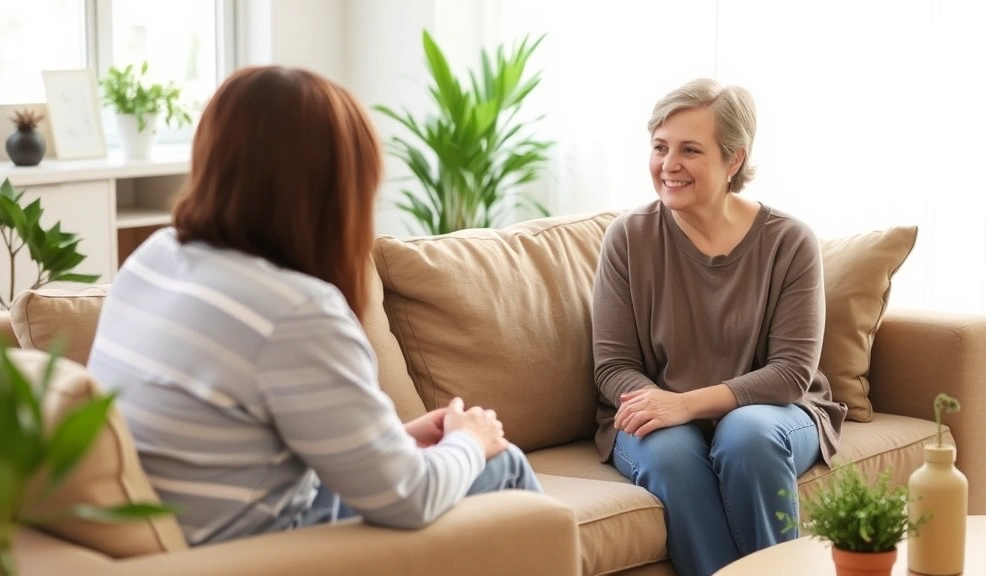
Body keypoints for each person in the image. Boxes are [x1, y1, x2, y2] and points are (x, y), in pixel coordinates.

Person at [87, 65, 541, 546]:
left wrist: (396, 442)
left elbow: (237, 442)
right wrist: (470, 438)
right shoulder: (295, 312)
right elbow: (410, 497)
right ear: (334, 190)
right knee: (503, 463)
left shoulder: (153, 257)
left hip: (196, 532)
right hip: (258, 553)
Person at [591, 78, 847, 576]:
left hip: (772, 411)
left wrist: (685, 403)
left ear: (734, 160)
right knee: (671, 455)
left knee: (746, 437)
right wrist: (662, 408)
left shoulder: (789, 242)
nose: (668, 165)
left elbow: (792, 373)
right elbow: (613, 366)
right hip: (658, 414)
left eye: (690, 149)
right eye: (660, 147)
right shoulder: (628, 238)